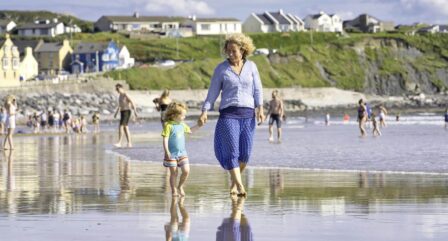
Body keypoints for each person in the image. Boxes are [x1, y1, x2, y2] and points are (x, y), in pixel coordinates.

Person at [198, 33, 264, 196]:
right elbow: (213, 92)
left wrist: (260, 108)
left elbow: (257, 89)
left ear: (242, 50)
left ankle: (235, 182)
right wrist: (205, 110)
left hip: (248, 115)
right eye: (228, 51)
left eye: (234, 51)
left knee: (245, 153)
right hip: (229, 115)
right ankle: (240, 186)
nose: (230, 54)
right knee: (232, 152)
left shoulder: (252, 67)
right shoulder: (221, 69)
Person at [162, 102, 199, 196]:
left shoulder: (182, 125)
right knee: (174, 173)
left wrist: (199, 125)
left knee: (186, 171)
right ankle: (174, 190)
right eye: (183, 115)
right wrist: (166, 151)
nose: (184, 117)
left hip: (182, 153)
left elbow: (190, 131)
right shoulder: (168, 126)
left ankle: (180, 186)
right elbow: (165, 139)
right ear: (174, 115)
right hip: (171, 154)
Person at [114, 83, 138, 148]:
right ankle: (129, 143)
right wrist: (116, 113)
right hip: (122, 112)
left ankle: (119, 142)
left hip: (127, 111)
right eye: (116, 89)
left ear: (121, 88)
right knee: (125, 128)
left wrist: (135, 111)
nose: (117, 90)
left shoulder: (125, 94)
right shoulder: (120, 96)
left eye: (117, 89)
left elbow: (132, 102)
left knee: (121, 126)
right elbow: (120, 105)